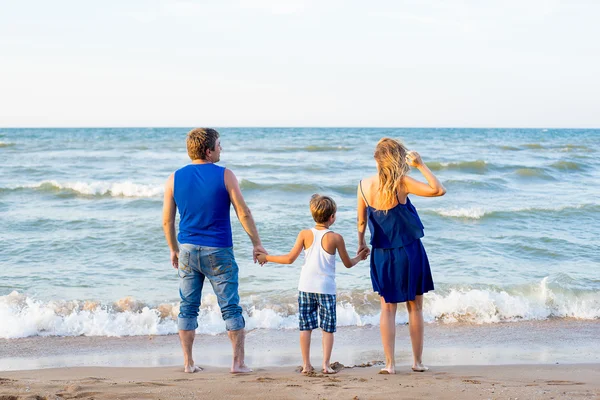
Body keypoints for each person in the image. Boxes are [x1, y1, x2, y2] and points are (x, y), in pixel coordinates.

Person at [162, 128, 267, 374]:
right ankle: (237, 363)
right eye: (219, 145)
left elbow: (167, 221)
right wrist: (256, 243)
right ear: (208, 151)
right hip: (218, 250)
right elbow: (244, 212)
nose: (221, 148)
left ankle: (188, 363)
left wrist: (173, 249)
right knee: (230, 306)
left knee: (188, 306)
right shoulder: (225, 175)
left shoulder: (174, 178)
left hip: (187, 249)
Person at [356, 138, 446, 374]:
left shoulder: (364, 185)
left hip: (382, 254)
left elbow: (361, 221)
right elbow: (438, 190)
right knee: (414, 307)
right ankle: (417, 362)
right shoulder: (402, 183)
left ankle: (390, 364)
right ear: (397, 159)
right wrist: (421, 165)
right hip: (409, 252)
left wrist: (361, 243)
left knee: (387, 308)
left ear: (377, 159)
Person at [257, 194, 369, 374]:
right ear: (332, 217)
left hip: (306, 287)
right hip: (326, 290)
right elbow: (348, 264)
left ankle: (306, 364)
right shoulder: (336, 238)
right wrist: (360, 257)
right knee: (328, 329)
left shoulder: (304, 234)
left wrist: (266, 257)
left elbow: (289, 259)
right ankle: (325, 364)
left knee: (305, 327)